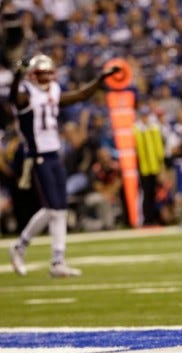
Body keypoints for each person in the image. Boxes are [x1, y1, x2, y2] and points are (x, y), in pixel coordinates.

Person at [8, 54, 120, 277]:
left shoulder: (54, 91)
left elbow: (80, 95)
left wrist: (100, 79)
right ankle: (24, 248)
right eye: (42, 73)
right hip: (37, 156)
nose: (47, 77)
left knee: (57, 209)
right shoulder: (27, 94)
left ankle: (53, 259)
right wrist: (17, 75)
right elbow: (14, 97)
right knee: (55, 209)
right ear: (32, 75)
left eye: (49, 73)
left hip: (54, 155)